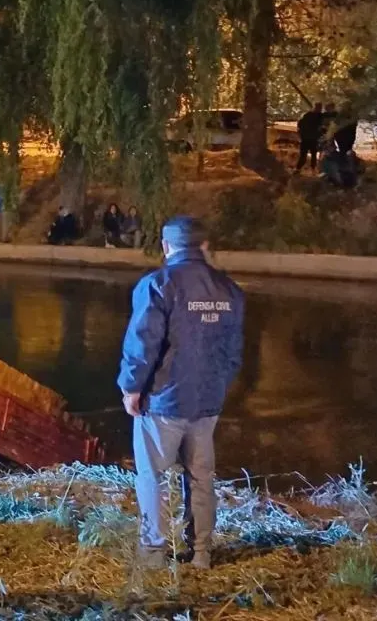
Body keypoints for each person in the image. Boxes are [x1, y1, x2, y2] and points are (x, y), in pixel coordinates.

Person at [117, 216, 244, 570]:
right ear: (203, 246)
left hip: (163, 401)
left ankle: (154, 553)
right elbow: (233, 355)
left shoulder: (158, 284)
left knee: (152, 475)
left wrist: (131, 388)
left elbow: (143, 343)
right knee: (202, 476)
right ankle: (201, 552)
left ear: (166, 247)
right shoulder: (230, 290)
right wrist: (217, 386)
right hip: (207, 403)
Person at [295, 102, 324, 173]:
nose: (318, 109)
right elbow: (300, 125)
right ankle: (298, 169)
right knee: (304, 156)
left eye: (319, 107)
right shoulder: (309, 115)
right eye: (318, 107)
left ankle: (312, 169)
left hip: (312, 139)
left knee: (313, 155)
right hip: (307, 139)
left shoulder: (319, 116)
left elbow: (299, 125)